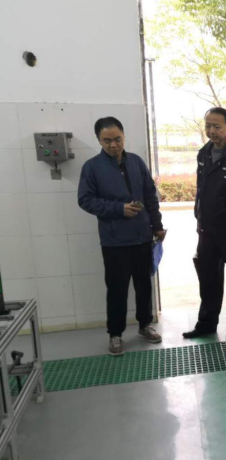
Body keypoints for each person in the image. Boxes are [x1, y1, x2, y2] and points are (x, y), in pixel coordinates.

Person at [78, 117, 166, 356]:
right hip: (114, 241)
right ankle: (115, 334)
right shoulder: (92, 167)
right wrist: (119, 209)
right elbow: (85, 200)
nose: (113, 144)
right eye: (107, 140)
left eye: (117, 139)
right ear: (99, 140)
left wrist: (157, 225)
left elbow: (150, 196)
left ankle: (145, 325)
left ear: (124, 136)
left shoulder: (136, 162)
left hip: (142, 238)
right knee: (117, 290)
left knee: (144, 286)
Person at [183, 107, 226, 340]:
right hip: (207, 230)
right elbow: (201, 190)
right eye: (208, 126)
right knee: (208, 278)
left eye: (217, 126)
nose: (212, 131)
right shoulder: (203, 154)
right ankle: (207, 323)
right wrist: (198, 218)